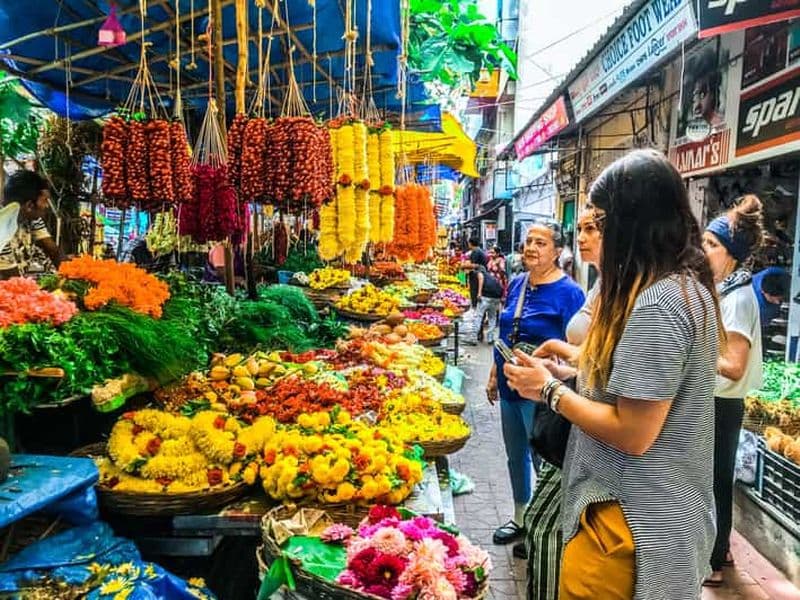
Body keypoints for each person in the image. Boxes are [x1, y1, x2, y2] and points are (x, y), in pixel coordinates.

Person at [503, 149, 720, 599]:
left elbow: (633, 432)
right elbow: (627, 390)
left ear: (632, 224)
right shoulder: (680, 289)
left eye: (603, 219)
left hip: (631, 524)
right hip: (640, 516)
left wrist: (548, 391)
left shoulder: (660, 305)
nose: (597, 232)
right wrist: (563, 373)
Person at [517, 207, 604, 599]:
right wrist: (563, 363)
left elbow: (632, 425)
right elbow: (599, 358)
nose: (582, 237)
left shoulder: (650, 299)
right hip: (566, 399)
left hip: (589, 430)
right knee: (539, 520)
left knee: (549, 528)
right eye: (581, 228)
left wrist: (553, 386)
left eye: (591, 229)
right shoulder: (607, 284)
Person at [486, 222, 584, 547]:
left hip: (542, 391)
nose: (531, 247)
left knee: (542, 454)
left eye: (540, 242)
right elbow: (504, 334)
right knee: (515, 454)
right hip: (509, 384)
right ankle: (520, 516)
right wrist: (492, 374)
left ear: (557, 251)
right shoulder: (516, 283)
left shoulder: (570, 292)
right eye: (528, 241)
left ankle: (545, 527)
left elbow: (578, 347)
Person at [702, 195, 764, 587]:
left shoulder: (739, 299)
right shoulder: (726, 290)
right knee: (710, 478)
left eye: (712, 246)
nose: (703, 251)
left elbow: (734, 364)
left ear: (731, 255)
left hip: (721, 404)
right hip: (714, 400)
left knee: (715, 481)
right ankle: (718, 550)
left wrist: (694, 353)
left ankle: (713, 561)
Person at [0, 170, 61, 278]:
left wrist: (70, 274)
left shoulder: (31, 216)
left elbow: (52, 250)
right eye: (45, 201)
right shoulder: (2, 227)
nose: (47, 206)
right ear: (29, 205)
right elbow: (12, 280)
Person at [690, 47, 724, 128]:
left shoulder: (720, 124)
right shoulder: (692, 128)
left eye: (702, 94)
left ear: (713, 94)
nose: (697, 101)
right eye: (694, 95)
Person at [462, 237, 487, 309]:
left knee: (474, 293)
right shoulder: (479, 251)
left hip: (476, 276)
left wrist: (463, 266)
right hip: (480, 275)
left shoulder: (475, 251)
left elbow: (474, 265)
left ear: (470, 243)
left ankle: (475, 309)